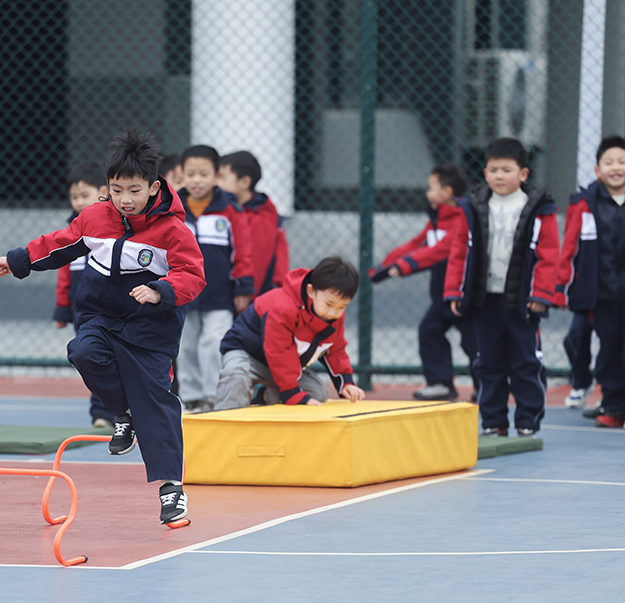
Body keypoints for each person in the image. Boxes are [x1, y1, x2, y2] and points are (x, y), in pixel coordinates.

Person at [0, 129, 206, 525]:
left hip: (151, 331)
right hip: (102, 317)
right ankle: (122, 413)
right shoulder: (95, 218)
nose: (125, 199)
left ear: (154, 187)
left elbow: (192, 275)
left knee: (155, 403)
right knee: (83, 351)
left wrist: (160, 291)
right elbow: (59, 244)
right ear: (107, 187)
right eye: (117, 190)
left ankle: (171, 489)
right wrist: (19, 260)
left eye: (135, 191)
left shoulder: (174, 230)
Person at [444, 138, 559, 436]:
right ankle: (493, 422)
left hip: (522, 303)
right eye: (493, 170)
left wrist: (540, 294)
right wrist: (455, 290)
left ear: (523, 173)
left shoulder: (540, 209)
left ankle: (527, 422)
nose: (499, 176)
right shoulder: (472, 207)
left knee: (525, 362)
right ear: (484, 173)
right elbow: (459, 252)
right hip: (484, 301)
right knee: (488, 363)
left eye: (507, 170)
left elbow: (549, 256)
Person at [369, 163, 479, 401]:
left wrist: (404, 266)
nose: (428, 193)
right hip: (441, 297)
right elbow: (416, 244)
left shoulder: (462, 219)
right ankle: (441, 383)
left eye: (431, 188)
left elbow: (439, 250)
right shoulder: (437, 219)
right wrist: (385, 265)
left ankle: (485, 386)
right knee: (429, 331)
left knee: (474, 342)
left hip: (464, 296)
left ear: (447, 192)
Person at [214, 256, 365, 409]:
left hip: (279, 364)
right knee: (237, 376)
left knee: (316, 393)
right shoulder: (284, 307)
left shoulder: (332, 317)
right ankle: (223, 420)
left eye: (342, 307)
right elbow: (279, 351)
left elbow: (335, 350)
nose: (333, 312)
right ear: (311, 291)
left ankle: (263, 396)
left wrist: (345, 382)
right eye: (329, 304)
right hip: (247, 353)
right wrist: (292, 393)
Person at [177, 144, 255, 412]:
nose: (196, 180)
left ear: (217, 176)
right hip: (182, 294)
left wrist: (242, 287)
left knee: (213, 343)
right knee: (185, 344)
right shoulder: (172, 210)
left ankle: (214, 395)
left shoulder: (230, 210)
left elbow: (243, 251)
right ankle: (192, 397)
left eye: (204, 174)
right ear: (182, 175)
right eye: (190, 174)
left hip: (220, 294)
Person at [555, 135, 625, 426]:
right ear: (597, 170)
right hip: (602, 295)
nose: (616, 167)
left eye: (622, 162)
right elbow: (569, 248)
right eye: (609, 162)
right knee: (609, 352)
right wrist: (561, 287)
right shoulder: (584, 204)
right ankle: (615, 408)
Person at [53, 161, 114, 428]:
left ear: (103, 192)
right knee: (93, 360)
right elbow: (64, 274)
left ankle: (126, 410)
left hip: (112, 309)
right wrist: (62, 308)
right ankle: (101, 413)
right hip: (83, 312)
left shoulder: (114, 226)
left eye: (84, 195)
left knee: (119, 360)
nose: (78, 202)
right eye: (74, 196)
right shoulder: (70, 231)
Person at [219, 150, 290, 294]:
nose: (216, 183)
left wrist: (245, 294)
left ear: (244, 182)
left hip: (247, 297)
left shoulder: (261, 219)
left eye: (222, 177)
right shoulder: (229, 210)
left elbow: (256, 265)